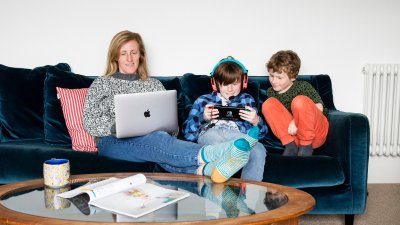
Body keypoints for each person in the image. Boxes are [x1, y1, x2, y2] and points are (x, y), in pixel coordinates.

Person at [82, 30, 259, 183]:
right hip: (113, 143)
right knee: (157, 141)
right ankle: (216, 153)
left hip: (152, 140)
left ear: (141, 55)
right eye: (123, 53)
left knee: (158, 140)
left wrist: (158, 128)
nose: (129, 58)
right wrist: (118, 127)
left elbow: (172, 130)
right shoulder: (102, 84)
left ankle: (210, 170)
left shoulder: (153, 85)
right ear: (115, 56)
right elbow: (89, 121)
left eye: (134, 52)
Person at [182, 56, 268, 181]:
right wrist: (203, 118)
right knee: (239, 143)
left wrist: (256, 121)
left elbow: (261, 134)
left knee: (259, 149)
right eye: (225, 84)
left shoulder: (247, 100)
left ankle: (249, 194)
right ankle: (235, 151)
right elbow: (187, 134)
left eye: (235, 84)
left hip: (238, 136)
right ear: (215, 84)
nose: (230, 89)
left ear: (244, 82)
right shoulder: (203, 100)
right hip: (212, 134)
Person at [261, 50, 329, 156]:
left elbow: (319, 107)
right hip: (294, 136)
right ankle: (290, 146)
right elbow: (279, 119)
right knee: (267, 104)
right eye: (271, 75)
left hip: (315, 134)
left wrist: (296, 121)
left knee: (299, 101)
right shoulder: (271, 92)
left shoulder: (303, 86)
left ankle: (306, 147)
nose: (274, 81)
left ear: (292, 77)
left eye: (279, 77)